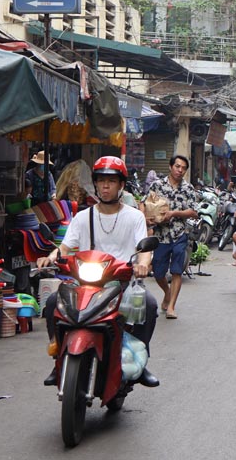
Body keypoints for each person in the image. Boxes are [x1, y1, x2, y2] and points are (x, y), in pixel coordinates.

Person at [37, 156, 159, 388]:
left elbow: (144, 248)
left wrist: (143, 263)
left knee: (149, 305)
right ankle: (57, 359)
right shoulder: (83, 217)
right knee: (53, 302)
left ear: (121, 185)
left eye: (111, 181)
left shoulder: (134, 217)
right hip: (86, 282)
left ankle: (139, 361)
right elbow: (64, 246)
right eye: (101, 181)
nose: (105, 186)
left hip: (120, 282)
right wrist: (52, 256)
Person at [142, 155, 198, 320]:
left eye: (183, 168)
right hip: (160, 235)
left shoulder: (188, 188)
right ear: (170, 167)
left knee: (176, 271)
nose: (180, 170)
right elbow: (145, 204)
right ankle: (167, 292)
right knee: (158, 272)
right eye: (177, 166)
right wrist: (147, 218)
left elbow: (194, 212)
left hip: (180, 233)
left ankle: (171, 306)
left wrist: (175, 213)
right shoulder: (157, 185)